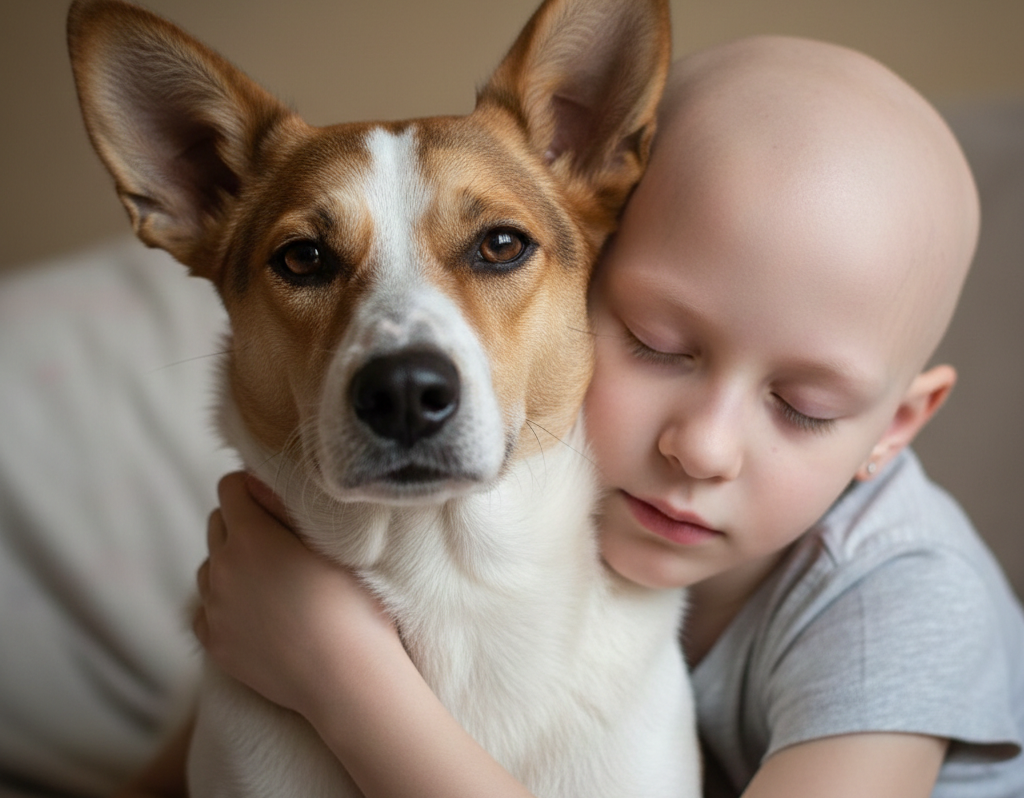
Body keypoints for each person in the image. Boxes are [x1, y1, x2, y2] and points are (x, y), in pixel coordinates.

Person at [136, 35, 1024, 798]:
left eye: (497, 247)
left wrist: (341, 677)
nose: (704, 447)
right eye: (657, 343)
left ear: (894, 427)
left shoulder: (902, 608)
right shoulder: (630, 500)